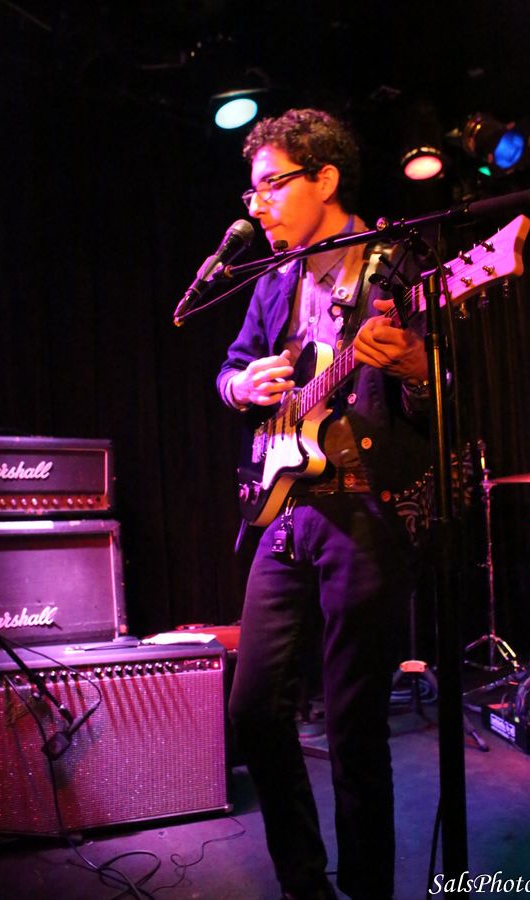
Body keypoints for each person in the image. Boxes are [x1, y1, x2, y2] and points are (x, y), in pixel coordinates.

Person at [217, 108, 433, 900]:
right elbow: (230, 370)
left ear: (326, 178)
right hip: (285, 510)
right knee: (254, 711)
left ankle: (368, 888)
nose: (257, 204)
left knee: (353, 728)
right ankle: (304, 882)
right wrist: (244, 385)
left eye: (271, 185)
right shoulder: (273, 280)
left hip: (362, 514)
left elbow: (444, 389)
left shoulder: (396, 264)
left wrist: (415, 365)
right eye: (251, 191)